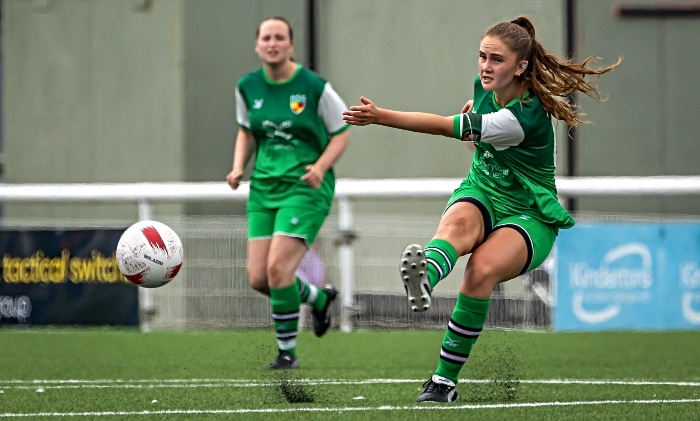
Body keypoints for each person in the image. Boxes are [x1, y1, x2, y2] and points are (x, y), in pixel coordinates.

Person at [343, 16, 620, 402]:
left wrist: (380, 116)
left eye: (496, 59)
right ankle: (426, 277)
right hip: (483, 189)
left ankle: (444, 381)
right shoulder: (487, 89)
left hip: (529, 212)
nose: (486, 67)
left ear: (521, 67)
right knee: (454, 230)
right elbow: (481, 138)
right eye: (482, 56)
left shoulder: (522, 116)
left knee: (480, 271)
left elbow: (443, 126)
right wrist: (477, 126)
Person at [227, 16, 351, 370]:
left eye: (280, 37)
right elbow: (246, 132)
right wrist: (238, 168)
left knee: (279, 270)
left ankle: (287, 354)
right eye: (266, 37)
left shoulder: (314, 87)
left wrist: (321, 166)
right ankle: (318, 298)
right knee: (259, 278)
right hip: (264, 188)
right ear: (257, 45)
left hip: (305, 188)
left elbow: (340, 133)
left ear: (291, 45)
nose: (272, 43)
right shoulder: (247, 86)